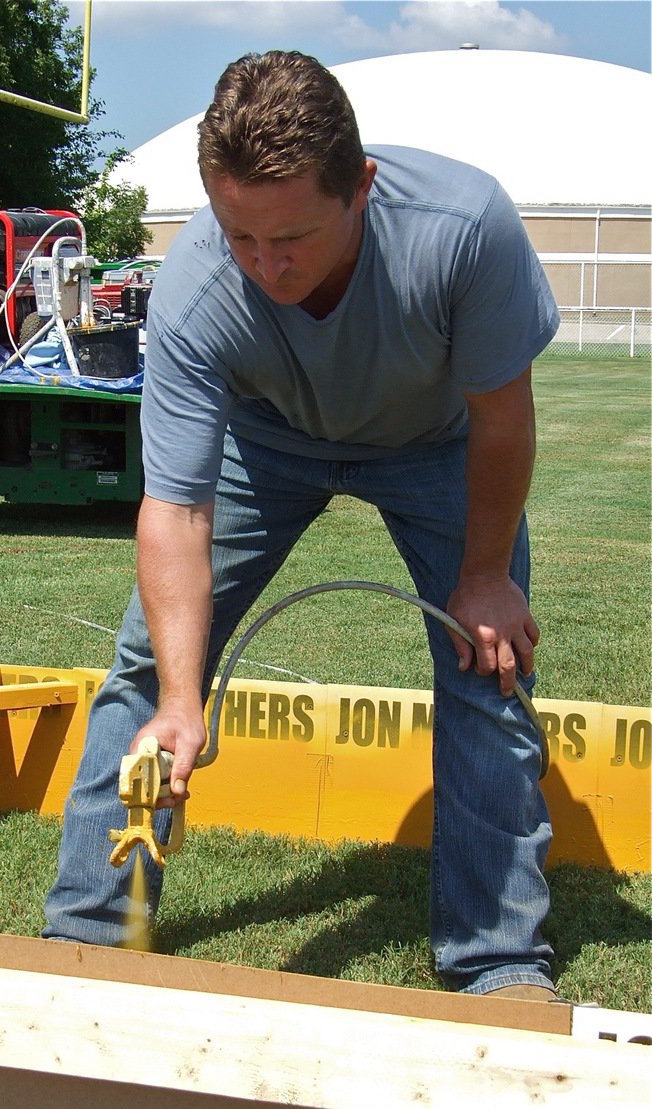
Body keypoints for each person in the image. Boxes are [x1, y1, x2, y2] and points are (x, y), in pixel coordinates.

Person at [43, 50, 560, 999]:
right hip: (266, 442)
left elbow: (503, 419)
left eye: (292, 238)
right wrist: (183, 699)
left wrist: (486, 573)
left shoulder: (464, 228)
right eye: (239, 234)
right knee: (151, 669)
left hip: (435, 441)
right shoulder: (199, 285)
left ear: (359, 187)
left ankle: (499, 963)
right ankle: (84, 939)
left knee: (486, 658)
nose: (265, 266)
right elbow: (176, 508)